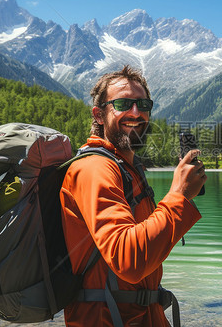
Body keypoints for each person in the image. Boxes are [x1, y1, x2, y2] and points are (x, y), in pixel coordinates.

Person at [60, 65, 206, 327]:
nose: (136, 113)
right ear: (99, 114)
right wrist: (178, 195)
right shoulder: (94, 169)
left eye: (143, 104)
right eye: (124, 103)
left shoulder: (126, 167)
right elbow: (130, 260)